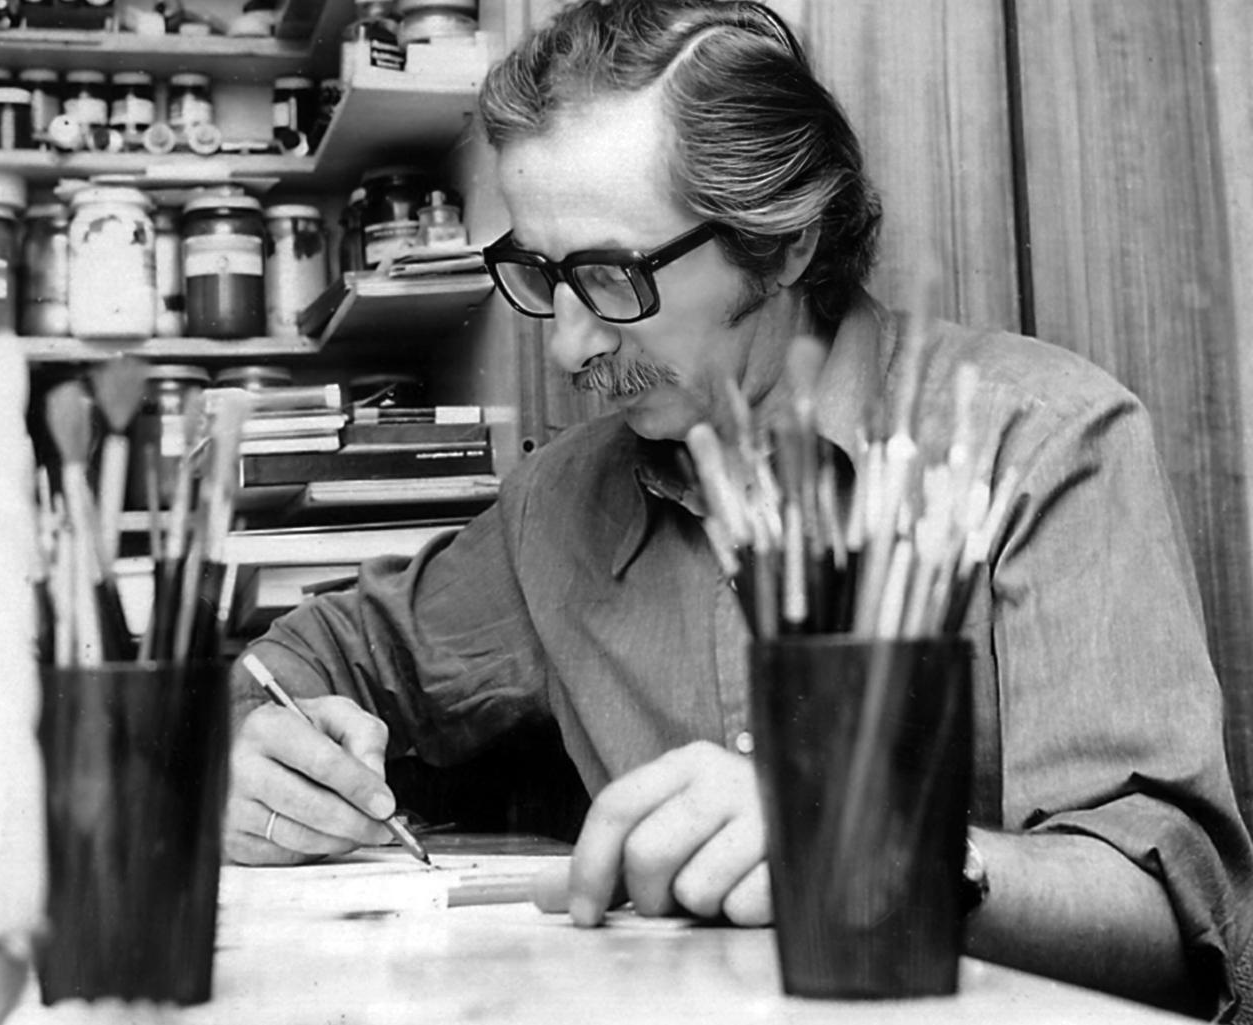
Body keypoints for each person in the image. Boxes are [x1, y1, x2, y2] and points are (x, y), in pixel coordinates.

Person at [224, 0, 1253, 1018]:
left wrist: (863, 837)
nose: (568, 348)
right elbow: (304, 664)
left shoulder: (1045, 441)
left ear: (785, 245)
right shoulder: (559, 501)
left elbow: (1170, 932)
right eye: (541, 274)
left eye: (613, 276)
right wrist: (256, 751)